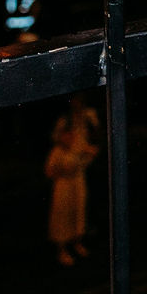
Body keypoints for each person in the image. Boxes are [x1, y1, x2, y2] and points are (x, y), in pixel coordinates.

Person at [45, 99, 99, 266]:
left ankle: (77, 241)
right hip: (64, 185)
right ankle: (62, 249)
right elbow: (50, 171)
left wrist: (88, 155)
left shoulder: (78, 146)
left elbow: (86, 159)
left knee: (78, 211)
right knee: (63, 216)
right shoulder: (58, 152)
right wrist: (63, 171)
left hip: (77, 181)